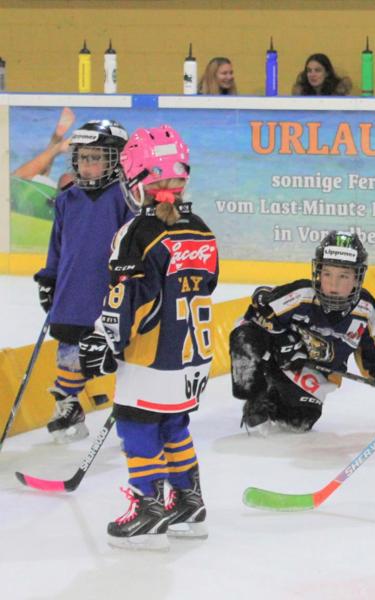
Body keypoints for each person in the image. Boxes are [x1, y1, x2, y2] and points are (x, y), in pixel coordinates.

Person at [78, 125, 217, 550]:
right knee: (174, 423)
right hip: (193, 357)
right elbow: (206, 286)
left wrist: (105, 343)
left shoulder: (136, 234)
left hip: (151, 360)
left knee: (138, 426)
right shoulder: (201, 229)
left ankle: (148, 508)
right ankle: (188, 501)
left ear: (137, 179)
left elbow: (129, 303)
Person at [228, 232, 375, 434]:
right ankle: (256, 398)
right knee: (244, 338)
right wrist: (283, 341)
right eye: (327, 274)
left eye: (344, 276)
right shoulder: (301, 295)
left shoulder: (365, 309)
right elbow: (257, 312)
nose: (333, 284)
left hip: (312, 369)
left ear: (358, 279)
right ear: (318, 272)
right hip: (275, 359)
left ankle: (279, 397)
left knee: (299, 421)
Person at [33, 119, 134, 443]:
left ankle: (134, 410)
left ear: (116, 159)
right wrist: (49, 278)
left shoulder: (126, 198)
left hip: (111, 294)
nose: (87, 165)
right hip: (73, 290)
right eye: (82, 157)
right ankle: (68, 403)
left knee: (123, 353)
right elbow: (57, 246)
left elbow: (136, 246)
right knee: (69, 347)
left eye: (96, 157)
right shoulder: (67, 198)